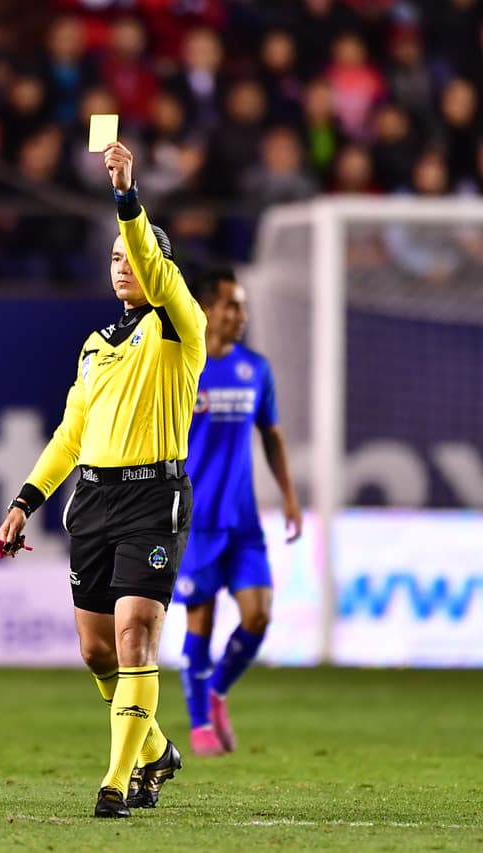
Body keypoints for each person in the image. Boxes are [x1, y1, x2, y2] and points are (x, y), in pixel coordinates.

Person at [0, 141, 206, 819]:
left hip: (154, 496)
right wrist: (27, 500)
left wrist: (125, 195)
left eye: (133, 257)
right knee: (96, 649)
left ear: (158, 268)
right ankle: (155, 750)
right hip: (93, 497)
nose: (123, 265)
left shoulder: (180, 327)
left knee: (136, 633)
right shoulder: (95, 345)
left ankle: (116, 782)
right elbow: (69, 434)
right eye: (114, 259)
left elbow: (147, 251)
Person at [176, 269, 302, 757]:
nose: (240, 315)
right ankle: (199, 725)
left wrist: (288, 495)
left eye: (242, 307)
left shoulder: (256, 370)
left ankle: (217, 690)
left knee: (259, 616)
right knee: (200, 623)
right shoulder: (183, 367)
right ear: (207, 309)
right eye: (231, 305)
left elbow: (271, 434)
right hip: (196, 520)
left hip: (243, 521)